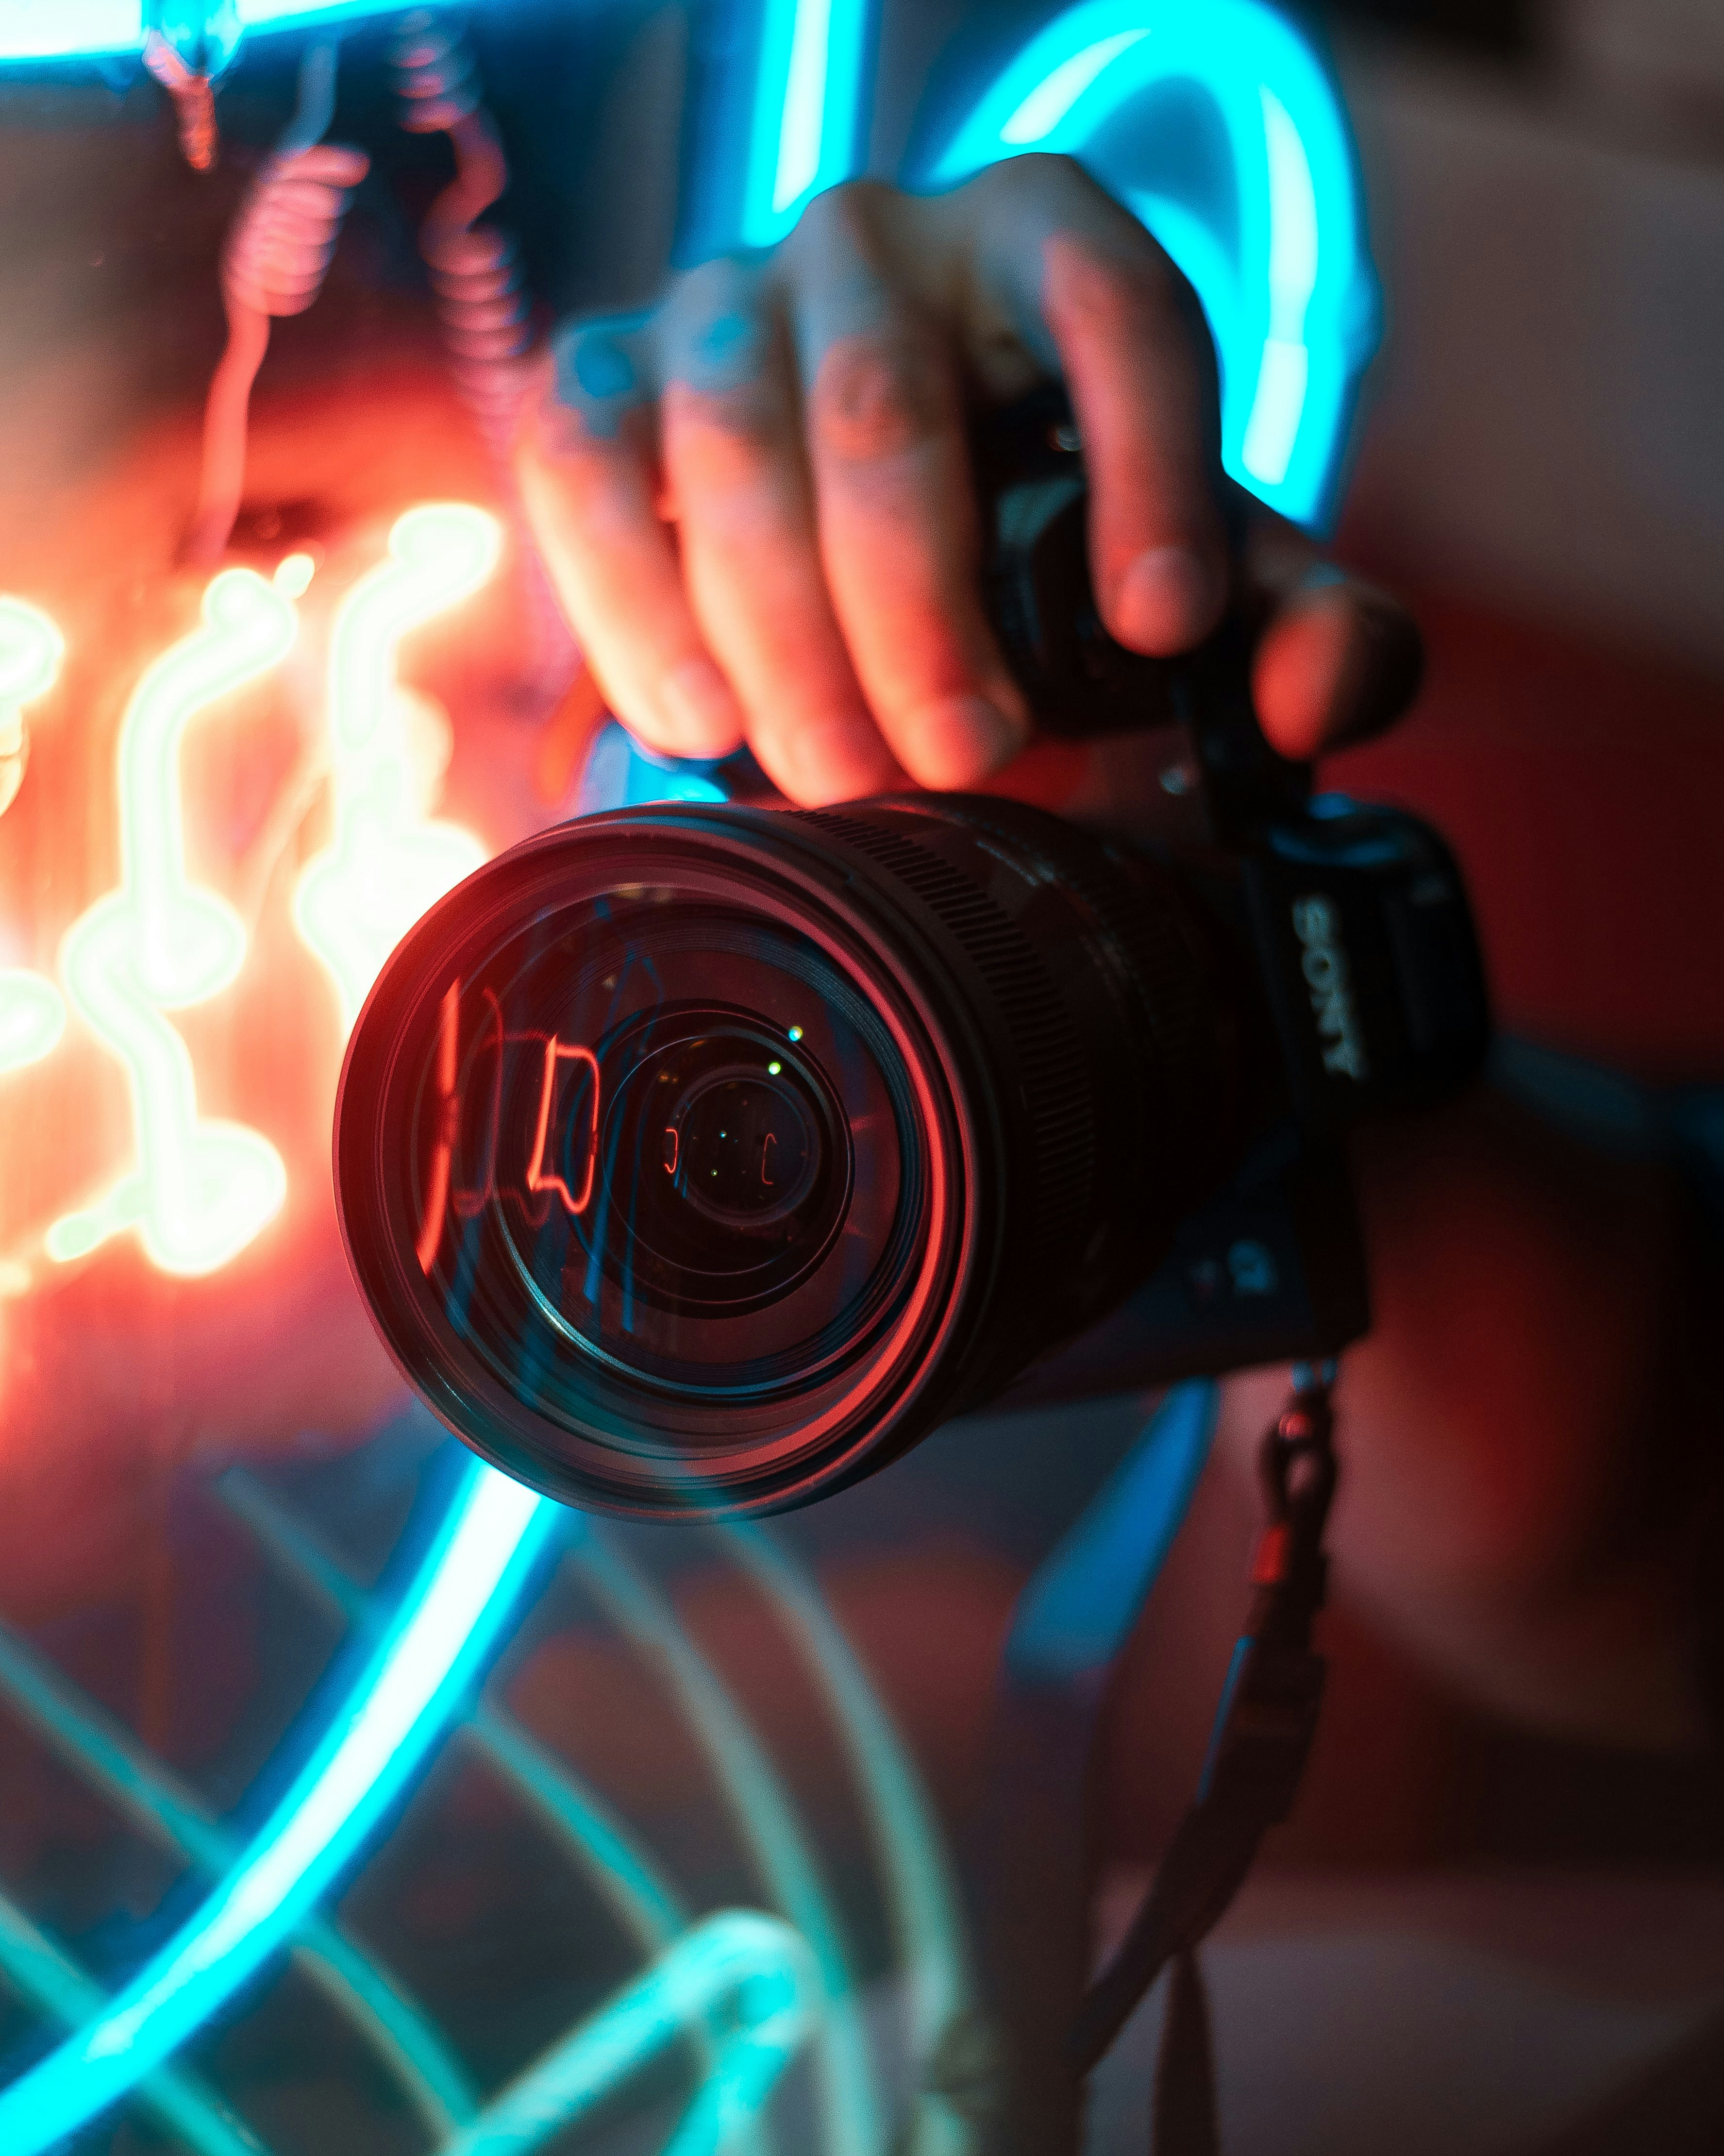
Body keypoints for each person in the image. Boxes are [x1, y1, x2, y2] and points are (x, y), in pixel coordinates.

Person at [0, 4, 1719, 2133]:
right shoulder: (290, 1805)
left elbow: (1578, 1626)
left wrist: (1209, 993)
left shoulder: (703, 1498)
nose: (340, 856)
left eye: (285, 568)